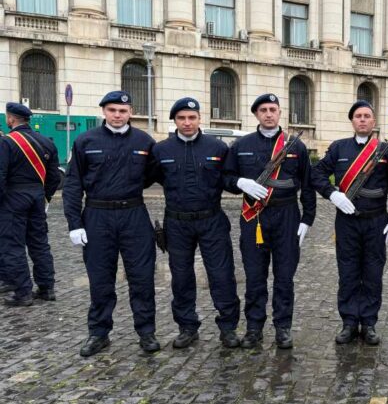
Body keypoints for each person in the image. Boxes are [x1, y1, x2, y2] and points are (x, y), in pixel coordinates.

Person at [62, 91, 159, 357]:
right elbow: (72, 185)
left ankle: (146, 331)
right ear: (104, 111)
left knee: (142, 277)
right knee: (100, 279)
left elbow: (152, 175)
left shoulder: (144, 141)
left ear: (131, 113)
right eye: (113, 110)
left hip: (134, 214)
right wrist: (74, 223)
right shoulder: (85, 141)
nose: (118, 115)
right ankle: (99, 333)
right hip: (97, 216)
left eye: (123, 111)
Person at [223, 93, 316, 349]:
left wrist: (307, 218)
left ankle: (283, 327)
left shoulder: (295, 146)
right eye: (263, 109)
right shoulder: (242, 145)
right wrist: (239, 182)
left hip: (286, 215)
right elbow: (226, 177)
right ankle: (254, 328)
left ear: (279, 113)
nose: (268, 114)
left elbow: (307, 184)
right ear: (256, 114)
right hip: (254, 217)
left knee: (284, 277)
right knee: (254, 276)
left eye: (273, 109)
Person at [311, 100, 388, 346]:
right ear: (352, 121)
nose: (362, 120)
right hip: (347, 222)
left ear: (373, 121)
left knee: (373, 274)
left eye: (367, 116)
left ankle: (369, 323)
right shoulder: (338, 148)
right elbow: (316, 174)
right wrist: (333, 194)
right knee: (348, 272)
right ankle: (350, 322)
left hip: (376, 221)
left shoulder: (385, 151)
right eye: (358, 116)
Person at [151, 97, 242, 349]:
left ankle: (228, 327)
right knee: (181, 277)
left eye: (192, 117)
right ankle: (187, 327)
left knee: (222, 275)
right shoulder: (161, 150)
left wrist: (242, 185)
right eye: (182, 118)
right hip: (177, 222)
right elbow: (152, 177)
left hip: (211, 219)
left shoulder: (217, 148)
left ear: (200, 118)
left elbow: (228, 180)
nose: (187, 122)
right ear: (175, 121)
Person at [0, 102, 62, 306]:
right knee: (39, 243)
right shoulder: (47, 142)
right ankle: (46, 288)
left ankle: (22, 293)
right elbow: (54, 177)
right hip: (37, 197)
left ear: (11, 119)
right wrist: (44, 197)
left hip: (13, 198)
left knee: (13, 245)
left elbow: (1, 175)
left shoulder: (7, 142)